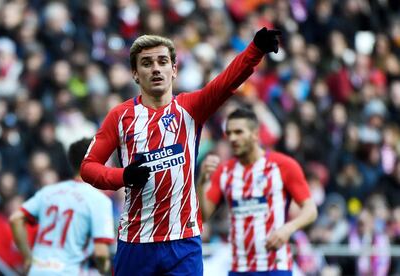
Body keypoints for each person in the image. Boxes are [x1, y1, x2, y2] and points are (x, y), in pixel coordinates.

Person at [80, 28, 281, 275]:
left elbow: (226, 83)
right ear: (135, 73)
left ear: (173, 70)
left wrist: (255, 50)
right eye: (146, 63)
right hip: (136, 240)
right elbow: (88, 167)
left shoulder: (191, 108)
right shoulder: (120, 117)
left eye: (162, 61)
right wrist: (123, 176)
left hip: (183, 241)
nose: (155, 68)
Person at [199, 108, 318, 276]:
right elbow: (204, 216)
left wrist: (287, 229)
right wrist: (202, 180)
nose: (232, 138)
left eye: (239, 132)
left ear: (255, 134)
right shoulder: (224, 171)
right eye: (229, 133)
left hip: (275, 266)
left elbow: (311, 210)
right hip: (239, 267)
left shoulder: (283, 166)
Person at [9, 138, 115, 275]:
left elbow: (15, 219)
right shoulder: (98, 200)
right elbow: (101, 253)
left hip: (37, 271)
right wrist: (105, 272)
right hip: (69, 271)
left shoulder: (48, 192)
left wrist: (28, 258)